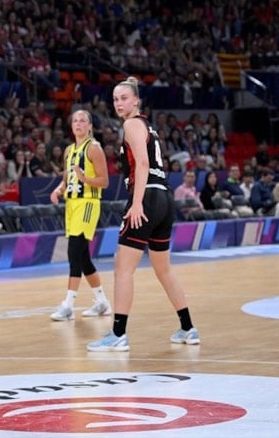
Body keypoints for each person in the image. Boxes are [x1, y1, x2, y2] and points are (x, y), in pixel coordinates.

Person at [88, 77, 199, 351]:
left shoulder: (131, 124)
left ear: (136, 101)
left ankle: (118, 334)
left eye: (124, 98)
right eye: (115, 99)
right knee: (163, 269)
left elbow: (143, 163)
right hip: (164, 199)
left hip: (147, 197)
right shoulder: (148, 126)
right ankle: (188, 328)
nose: (119, 103)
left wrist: (136, 203)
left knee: (122, 268)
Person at [48, 110, 112, 321]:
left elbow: (104, 181)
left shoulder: (94, 148)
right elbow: (67, 178)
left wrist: (86, 179)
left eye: (83, 121)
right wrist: (59, 189)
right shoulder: (69, 150)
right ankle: (102, 302)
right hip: (71, 205)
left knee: (74, 252)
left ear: (90, 126)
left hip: (88, 204)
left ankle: (68, 305)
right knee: (83, 258)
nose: (78, 124)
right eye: (75, 120)